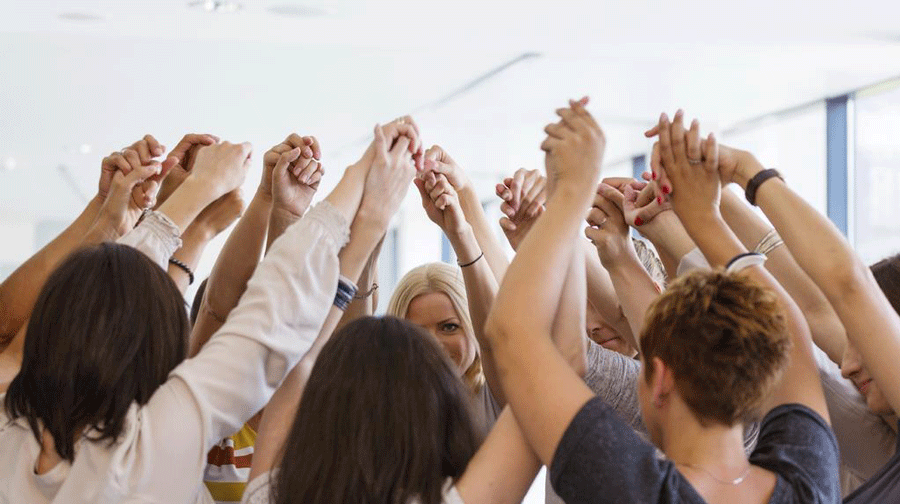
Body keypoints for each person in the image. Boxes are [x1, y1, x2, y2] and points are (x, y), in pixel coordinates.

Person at [0, 124, 399, 503]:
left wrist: (182, 204)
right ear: (161, 353)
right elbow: (272, 316)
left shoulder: (10, 427)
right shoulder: (150, 449)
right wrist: (367, 184)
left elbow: (91, 306)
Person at [484, 102, 839, 503]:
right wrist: (705, 217)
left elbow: (515, 337)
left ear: (662, 379)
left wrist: (569, 192)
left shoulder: (633, 487)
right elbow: (792, 330)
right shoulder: (810, 482)